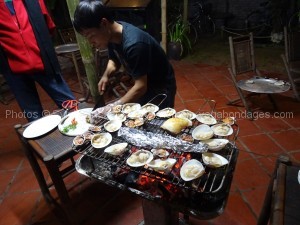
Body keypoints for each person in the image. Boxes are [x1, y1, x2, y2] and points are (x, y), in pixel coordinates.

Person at [73, 0, 176, 118]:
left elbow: (141, 87)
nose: (90, 42)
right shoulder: (113, 34)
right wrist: (106, 75)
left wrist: (112, 107)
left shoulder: (134, 44)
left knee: (160, 121)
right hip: (146, 84)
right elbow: (114, 59)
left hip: (160, 88)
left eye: (91, 35)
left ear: (104, 23)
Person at [0, 0, 75, 122]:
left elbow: (48, 26)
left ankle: (83, 136)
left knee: (70, 106)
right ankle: (44, 141)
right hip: (14, 70)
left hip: (44, 63)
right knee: (34, 118)